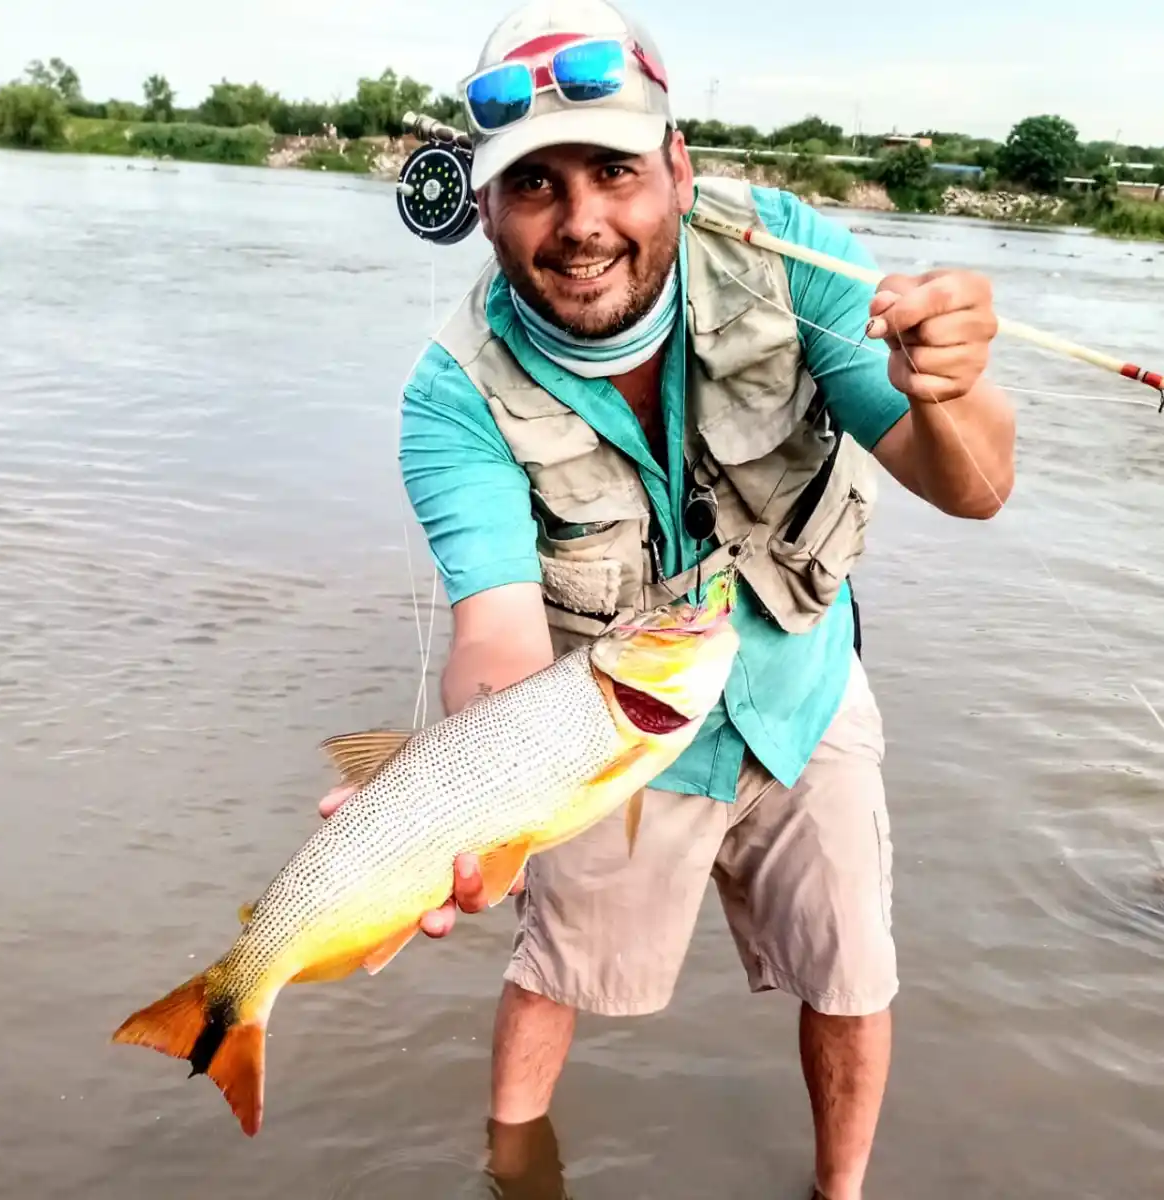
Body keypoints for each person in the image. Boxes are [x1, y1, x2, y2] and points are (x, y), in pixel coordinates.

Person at [321, 1, 1016, 1196]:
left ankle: (839, 1191)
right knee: (552, 968)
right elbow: (496, 636)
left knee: (856, 975)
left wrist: (946, 392)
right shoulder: (450, 398)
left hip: (802, 685)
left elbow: (977, 490)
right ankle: (513, 1171)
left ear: (679, 167)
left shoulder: (797, 259)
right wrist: (457, 807)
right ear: (479, 206)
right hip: (598, 729)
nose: (582, 221)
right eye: (532, 183)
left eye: (614, 169)